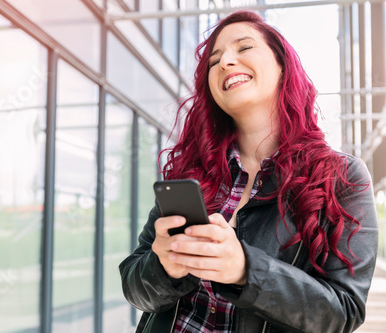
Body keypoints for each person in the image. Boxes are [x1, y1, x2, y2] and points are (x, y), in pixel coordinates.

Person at [119, 10, 378, 333]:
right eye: (215, 60)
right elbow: (134, 288)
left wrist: (246, 270)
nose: (226, 62)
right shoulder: (191, 173)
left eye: (243, 48)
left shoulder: (341, 176)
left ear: (283, 65)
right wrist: (162, 268)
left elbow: (344, 312)